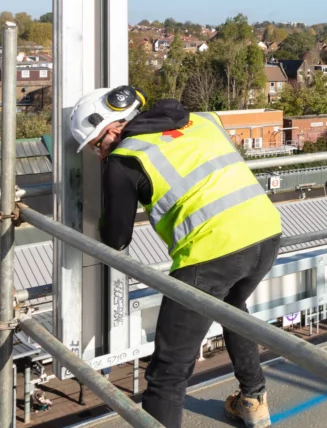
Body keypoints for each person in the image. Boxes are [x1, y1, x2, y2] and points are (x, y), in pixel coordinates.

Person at [70, 87, 282, 428]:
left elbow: (117, 239)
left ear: (112, 129)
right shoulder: (201, 120)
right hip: (266, 233)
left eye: (97, 145)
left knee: (168, 372)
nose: (98, 155)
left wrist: (110, 191)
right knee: (232, 311)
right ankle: (253, 401)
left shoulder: (124, 159)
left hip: (211, 252)